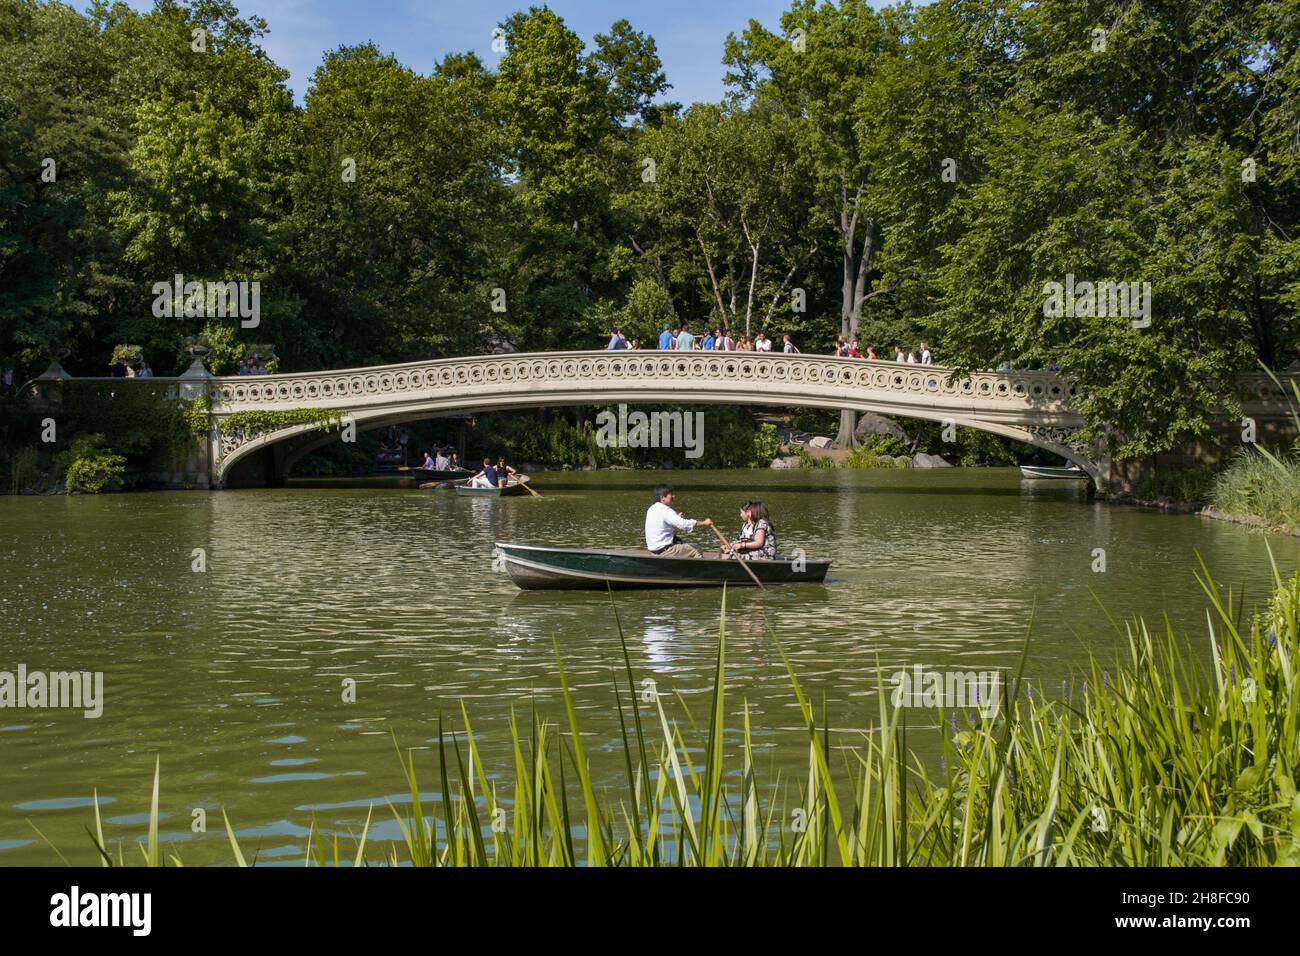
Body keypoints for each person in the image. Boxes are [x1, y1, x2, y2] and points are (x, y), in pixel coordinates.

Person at [645, 484, 713, 557]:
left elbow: (662, 527)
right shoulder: (666, 510)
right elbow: (683, 524)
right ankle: (700, 568)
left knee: (679, 541)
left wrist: (677, 518)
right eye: (670, 494)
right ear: (662, 497)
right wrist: (704, 522)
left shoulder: (651, 509)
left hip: (654, 550)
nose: (674, 496)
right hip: (665, 551)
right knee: (696, 548)